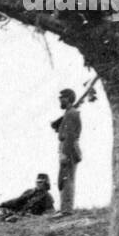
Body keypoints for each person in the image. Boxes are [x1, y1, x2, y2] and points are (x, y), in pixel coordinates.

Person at [50, 88, 82, 216]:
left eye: (62, 98)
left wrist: (64, 153)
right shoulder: (69, 113)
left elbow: (69, 135)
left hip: (68, 148)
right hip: (67, 147)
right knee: (65, 178)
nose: (60, 100)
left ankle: (67, 210)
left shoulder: (71, 113)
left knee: (67, 178)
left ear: (68, 98)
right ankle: (65, 208)